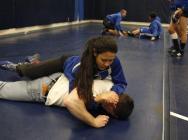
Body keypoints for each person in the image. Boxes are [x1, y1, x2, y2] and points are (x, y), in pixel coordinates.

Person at [0, 36, 134, 128]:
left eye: (110, 60)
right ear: (94, 53)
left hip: (55, 80)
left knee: (35, 72)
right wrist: (97, 102)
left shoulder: (113, 62)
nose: (107, 64)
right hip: (64, 63)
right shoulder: (81, 69)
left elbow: (121, 82)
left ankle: (33, 62)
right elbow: (74, 97)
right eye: (104, 60)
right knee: (28, 72)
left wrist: (114, 93)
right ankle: (17, 67)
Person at [0, 72, 134, 128]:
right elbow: (70, 102)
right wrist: (93, 121)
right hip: (45, 89)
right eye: (111, 113)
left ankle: (27, 66)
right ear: (112, 105)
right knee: (4, 89)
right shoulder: (98, 93)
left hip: (59, 76)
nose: (108, 114)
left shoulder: (112, 85)